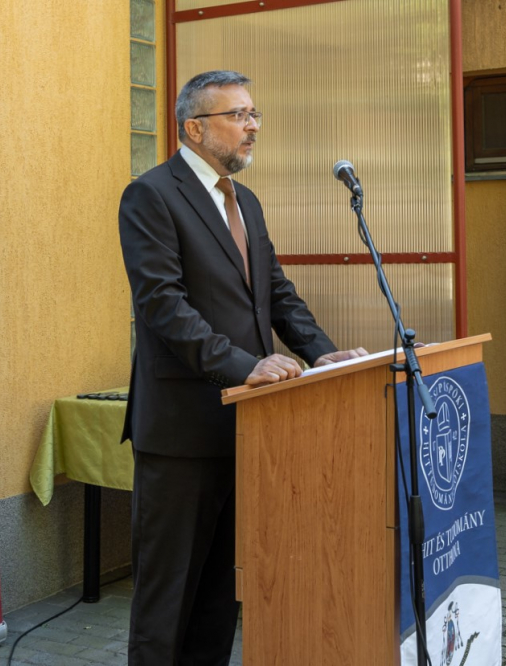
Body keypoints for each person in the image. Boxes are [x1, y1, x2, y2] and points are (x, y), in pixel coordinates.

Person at [119, 70, 366, 665]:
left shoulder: (244, 201)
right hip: (182, 430)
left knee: (220, 592)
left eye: (254, 114)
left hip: (250, 425)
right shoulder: (151, 195)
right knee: (167, 596)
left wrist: (319, 351)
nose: (252, 126)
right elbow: (163, 305)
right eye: (238, 115)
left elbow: (275, 293)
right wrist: (244, 365)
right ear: (195, 128)